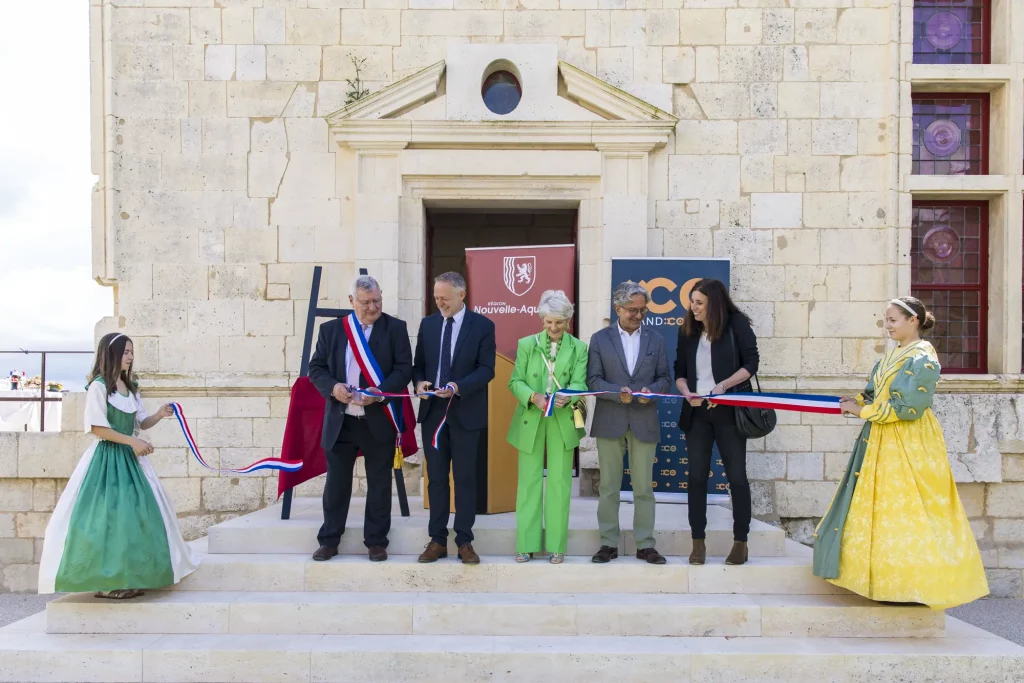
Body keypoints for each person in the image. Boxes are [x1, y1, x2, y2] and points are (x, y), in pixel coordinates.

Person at [813, 297, 988, 609]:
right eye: (887, 320)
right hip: (882, 438)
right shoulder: (894, 353)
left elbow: (908, 407)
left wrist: (860, 411)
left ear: (913, 321)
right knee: (882, 510)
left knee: (909, 511)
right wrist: (851, 401)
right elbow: (874, 392)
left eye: (893, 320)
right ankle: (884, 582)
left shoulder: (923, 356)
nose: (888, 326)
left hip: (908, 440)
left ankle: (913, 586)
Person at [38, 333, 197, 598]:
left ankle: (130, 576)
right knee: (108, 519)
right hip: (107, 461)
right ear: (111, 354)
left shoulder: (131, 387)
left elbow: (140, 423)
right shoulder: (99, 387)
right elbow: (98, 427)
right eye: (126, 352)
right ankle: (108, 582)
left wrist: (158, 414)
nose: (130, 357)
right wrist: (132, 443)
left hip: (130, 461)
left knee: (139, 516)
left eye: (132, 352)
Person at [308, 275, 413, 563]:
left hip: (376, 419)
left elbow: (404, 370)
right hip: (342, 419)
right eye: (366, 302)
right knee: (337, 483)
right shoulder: (331, 330)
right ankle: (329, 539)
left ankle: (377, 541)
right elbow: (315, 368)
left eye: (377, 301)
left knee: (379, 483)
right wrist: (333, 387)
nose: (373, 307)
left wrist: (379, 393)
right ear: (352, 301)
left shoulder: (395, 328)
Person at [413, 272, 496, 565]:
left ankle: (464, 540)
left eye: (444, 298)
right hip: (433, 412)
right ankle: (437, 539)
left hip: (465, 413)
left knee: (464, 478)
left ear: (462, 295)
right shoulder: (428, 324)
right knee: (436, 479)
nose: (439, 303)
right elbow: (419, 364)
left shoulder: (483, 326)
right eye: (436, 297)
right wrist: (420, 383)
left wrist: (458, 387)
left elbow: (487, 369)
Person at [675, 278, 759, 566]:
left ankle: (741, 542)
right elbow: (679, 370)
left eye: (699, 303)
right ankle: (698, 543)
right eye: (692, 301)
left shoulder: (737, 325)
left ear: (715, 304)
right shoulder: (687, 330)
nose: (693, 307)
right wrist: (687, 393)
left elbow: (751, 364)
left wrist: (722, 387)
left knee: (736, 477)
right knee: (696, 477)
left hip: (730, 412)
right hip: (697, 413)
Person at [587, 281, 672, 565]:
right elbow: (593, 380)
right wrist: (615, 394)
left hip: (644, 420)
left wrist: (653, 392)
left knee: (644, 488)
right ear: (618, 308)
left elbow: (665, 379)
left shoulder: (656, 340)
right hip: (610, 420)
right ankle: (608, 543)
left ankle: (645, 544)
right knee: (609, 487)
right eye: (632, 310)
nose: (638, 315)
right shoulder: (599, 339)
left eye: (642, 310)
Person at [506, 290, 589, 564]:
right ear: (542, 319)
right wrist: (533, 396)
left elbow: (581, 384)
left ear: (568, 321)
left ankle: (556, 545)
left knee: (560, 483)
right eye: (548, 322)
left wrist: (570, 396)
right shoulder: (527, 344)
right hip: (532, 416)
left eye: (559, 322)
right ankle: (526, 544)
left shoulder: (579, 348)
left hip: (562, 419)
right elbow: (515, 381)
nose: (553, 328)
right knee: (528, 482)